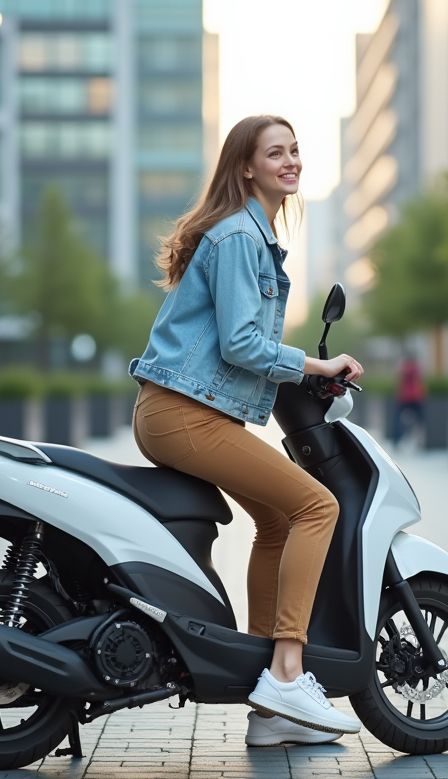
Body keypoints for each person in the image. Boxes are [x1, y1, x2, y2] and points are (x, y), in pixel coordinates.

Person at [129, 115, 364, 745]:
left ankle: (271, 710)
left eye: (295, 151)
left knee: (282, 520)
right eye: (275, 153)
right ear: (246, 168)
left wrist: (298, 371)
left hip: (186, 411)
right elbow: (239, 344)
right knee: (320, 505)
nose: (291, 161)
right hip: (183, 414)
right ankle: (288, 671)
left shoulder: (250, 236)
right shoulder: (239, 237)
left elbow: (241, 342)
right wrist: (315, 364)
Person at [392, 353, 426, 447]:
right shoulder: (416, 367)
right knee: (421, 419)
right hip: (416, 395)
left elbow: (398, 376)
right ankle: (423, 440)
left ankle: (396, 440)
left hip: (405, 395)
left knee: (398, 419)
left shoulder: (403, 367)